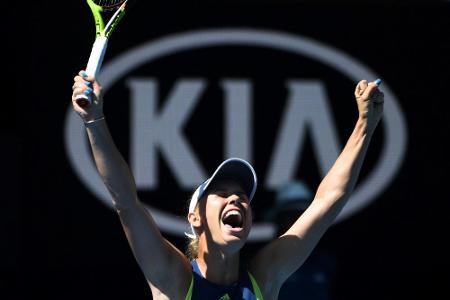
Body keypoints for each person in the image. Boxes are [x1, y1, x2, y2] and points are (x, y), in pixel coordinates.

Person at [71, 71, 384, 300]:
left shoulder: (263, 277)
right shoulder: (173, 278)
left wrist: (364, 127)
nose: (236, 199)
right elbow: (125, 200)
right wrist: (94, 121)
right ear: (195, 217)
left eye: (243, 196)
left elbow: (327, 202)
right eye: (221, 194)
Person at [264, 181, 336, 300]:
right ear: (279, 221)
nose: (299, 223)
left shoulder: (327, 262)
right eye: (292, 216)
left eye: (302, 216)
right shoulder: (261, 264)